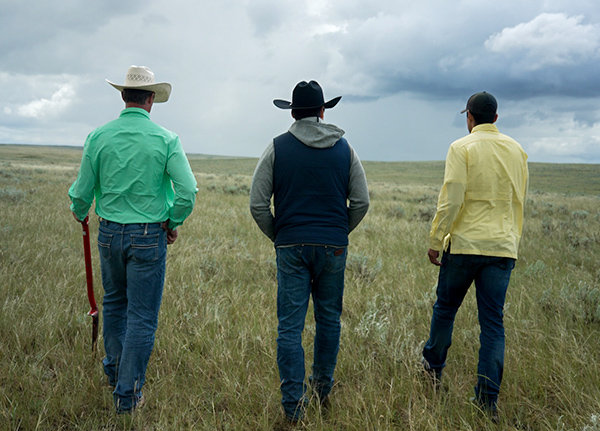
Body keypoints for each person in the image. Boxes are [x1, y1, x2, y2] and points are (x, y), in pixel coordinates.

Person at [68, 65, 198, 413]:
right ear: (151, 100)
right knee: (141, 316)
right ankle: (128, 395)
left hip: (109, 232)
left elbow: (81, 192)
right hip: (148, 236)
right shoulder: (167, 139)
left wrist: (79, 209)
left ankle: (114, 372)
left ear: (123, 96)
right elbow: (188, 190)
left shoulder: (98, 137)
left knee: (114, 303)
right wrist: (173, 220)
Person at [249, 81, 370, 422]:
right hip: (333, 247)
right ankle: (322, 391)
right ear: (322, 111)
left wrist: (280, 234)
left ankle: (293, 408)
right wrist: (337, 231)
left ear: (291, 112)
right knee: (329, 320)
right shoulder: (346, 149)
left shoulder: (276, 148)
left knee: (290, 327)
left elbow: (258, 204)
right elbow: (361, 201)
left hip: (291, 246)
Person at [421, 91, 528, 422]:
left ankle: (433, 369)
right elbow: (519, 199)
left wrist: (437, 239)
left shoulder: (460, 148)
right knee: (493, 324)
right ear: (495, 118)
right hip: (501, 249)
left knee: (446, 309)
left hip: (465, 245)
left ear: (469, 117)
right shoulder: (517, 151)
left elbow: (452, 197)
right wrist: (511, 239)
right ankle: (487, 403)